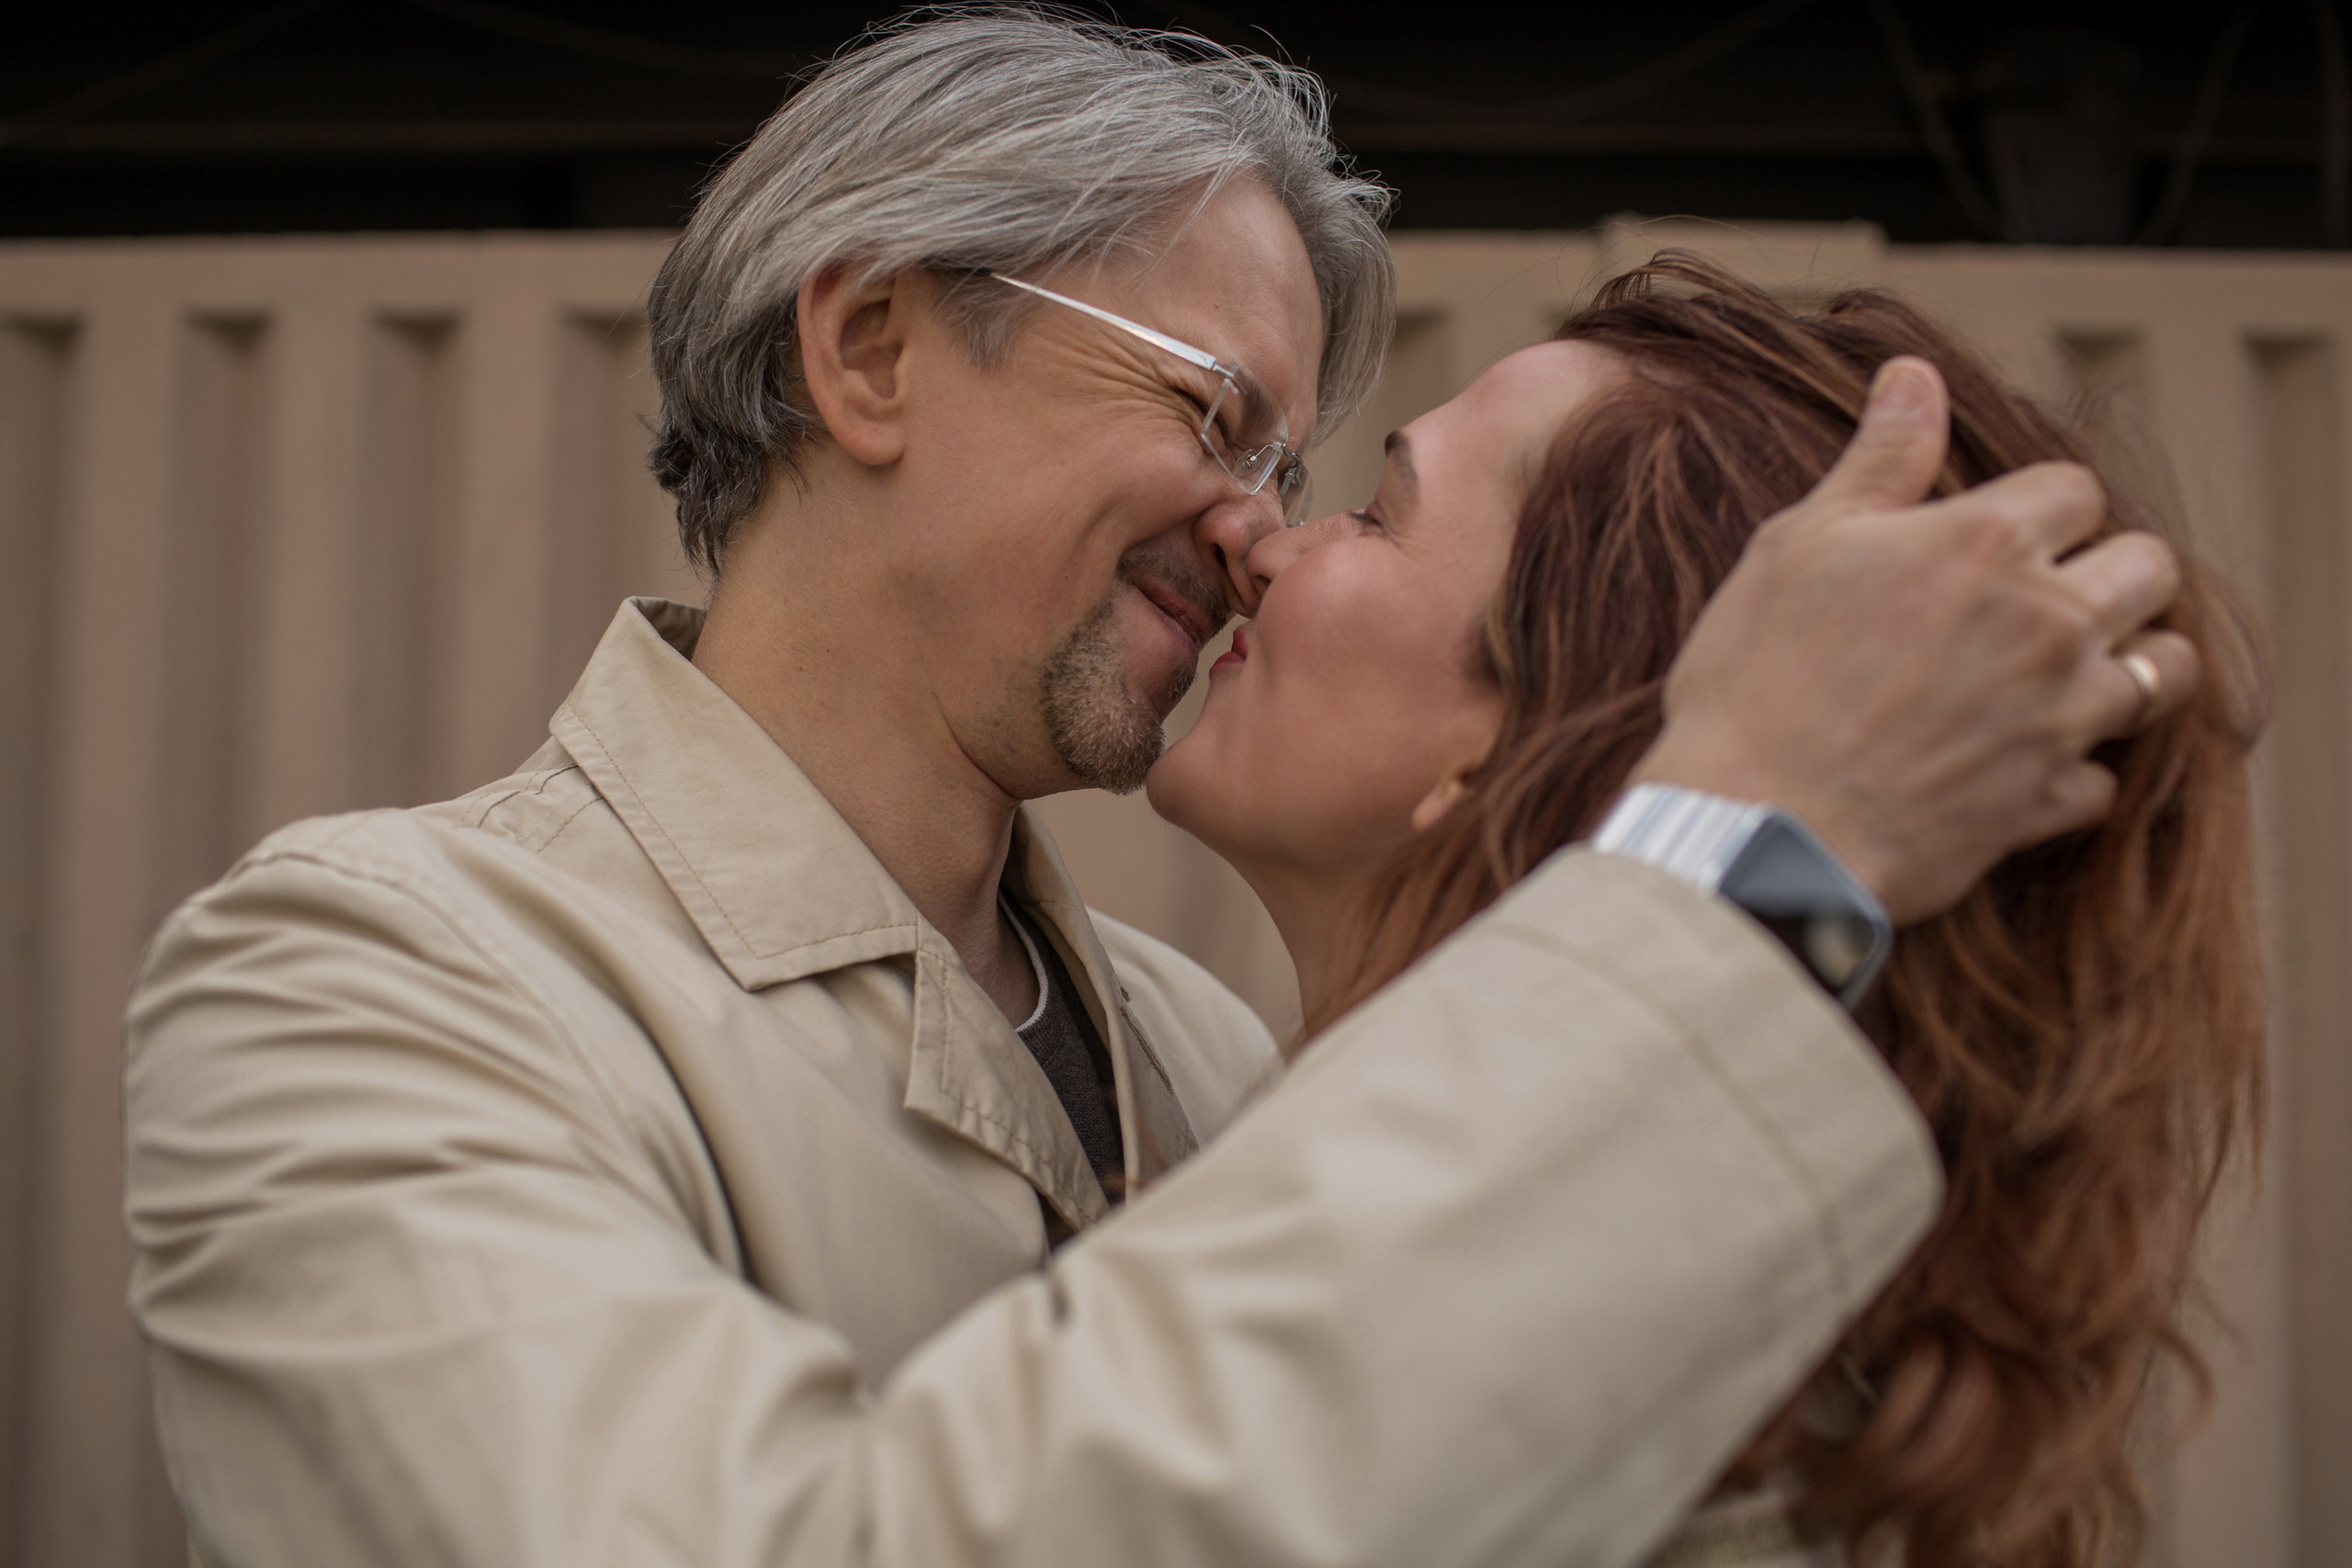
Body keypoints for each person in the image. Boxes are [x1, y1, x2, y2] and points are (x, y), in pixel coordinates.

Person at [122, 15, 2199, 1567]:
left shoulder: (1222, 1058)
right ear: (866, 351)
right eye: (1216, 413)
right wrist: (1738, 875)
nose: (1254, 535)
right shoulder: (367, 979)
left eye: (1302, 470)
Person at [1148, 254, 2264, 1568]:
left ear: (1523, 744)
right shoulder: (1173, 1082)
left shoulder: (1572, 1435)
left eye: (1383, 515)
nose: (1270, 545)